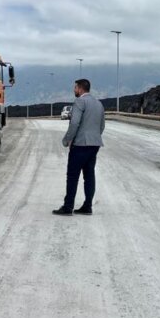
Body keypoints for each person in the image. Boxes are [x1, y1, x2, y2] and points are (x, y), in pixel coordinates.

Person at [53, 78, 105, 216]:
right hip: (95, 144)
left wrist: (67, 140)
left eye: (75, 88)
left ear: (81, 89)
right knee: (89, 175)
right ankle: (87, 206)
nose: (74, 90)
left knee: (72, 176)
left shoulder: (80, 102)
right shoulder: (99, 104)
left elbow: (74, 123)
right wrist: (93, 137)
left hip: (80, 144)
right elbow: (101, 126)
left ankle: (68, 207)